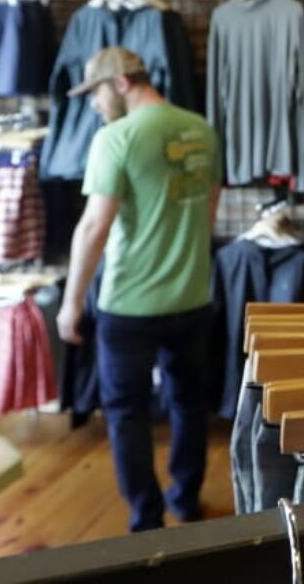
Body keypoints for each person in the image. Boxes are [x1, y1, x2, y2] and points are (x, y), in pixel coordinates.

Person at [57, 47, 221, 532]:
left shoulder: (117, 138)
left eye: (96, 93)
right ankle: (186, 499)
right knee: (189, 402)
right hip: (193, 296)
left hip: (130, 303)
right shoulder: (202, 130)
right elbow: (208, 214)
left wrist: (70, 304)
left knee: (127, 412)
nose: (93, 104)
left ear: (123, 83)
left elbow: (93, 228)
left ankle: (145, 518)